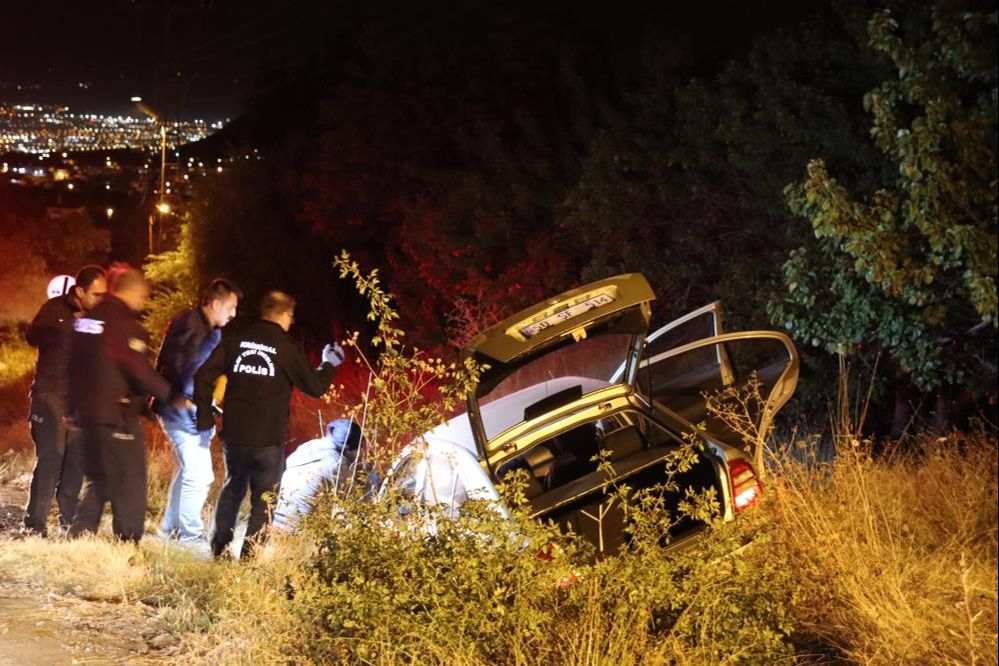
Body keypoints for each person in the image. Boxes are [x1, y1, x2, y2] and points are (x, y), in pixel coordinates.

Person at [193, 290, 344, 559]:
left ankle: (220, 550)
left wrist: (205, 416)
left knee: (232, 489)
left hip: (236, 435)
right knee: (265, 501)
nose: (291, 322)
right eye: (291, 316)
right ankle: (250, 557)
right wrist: (329, 364)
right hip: (268, 439)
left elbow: (203, 375)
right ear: (284, 315)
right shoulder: (287, 348)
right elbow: (315, 386)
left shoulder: (236, 340)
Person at [67, 264, 182, 544]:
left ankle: (79, 536)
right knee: (130, 481)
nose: (142, 303)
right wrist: (173, 397)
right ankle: (127, 541)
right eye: (142, 297)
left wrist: (71, 408)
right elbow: (138, 371)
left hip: (86, 416)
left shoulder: (85, 321)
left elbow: (71, 365)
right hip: (117, 414)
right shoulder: (126, 327)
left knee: (101, 478)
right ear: (130, 292)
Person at [153, 278, 241, 548]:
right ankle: (190, 538)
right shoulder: (194, 329)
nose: (234, 313)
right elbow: (182, 369)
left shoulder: (203, 326)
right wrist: (192, 404)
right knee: (201, 475)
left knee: (189, 470)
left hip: (185, 408)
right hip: (181, 410)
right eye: (232, 307)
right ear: (216, 304)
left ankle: (169, 530)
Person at [22, 265, 107, 536]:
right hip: (49, 394)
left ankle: (69, 520)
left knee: (76, 459)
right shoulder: (55, 309)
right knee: (52, 455)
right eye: (95, 294)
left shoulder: (99, 319)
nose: (99, 299)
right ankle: (35, 523)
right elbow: (32, 336)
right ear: (80, 291)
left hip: (80, 400)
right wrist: (60, 332)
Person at [272, 419, 364, 533]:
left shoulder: (306, 448)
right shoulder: (336, 464)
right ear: (352, 448)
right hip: (299, 532)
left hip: (275, 522)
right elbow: (357, 501)